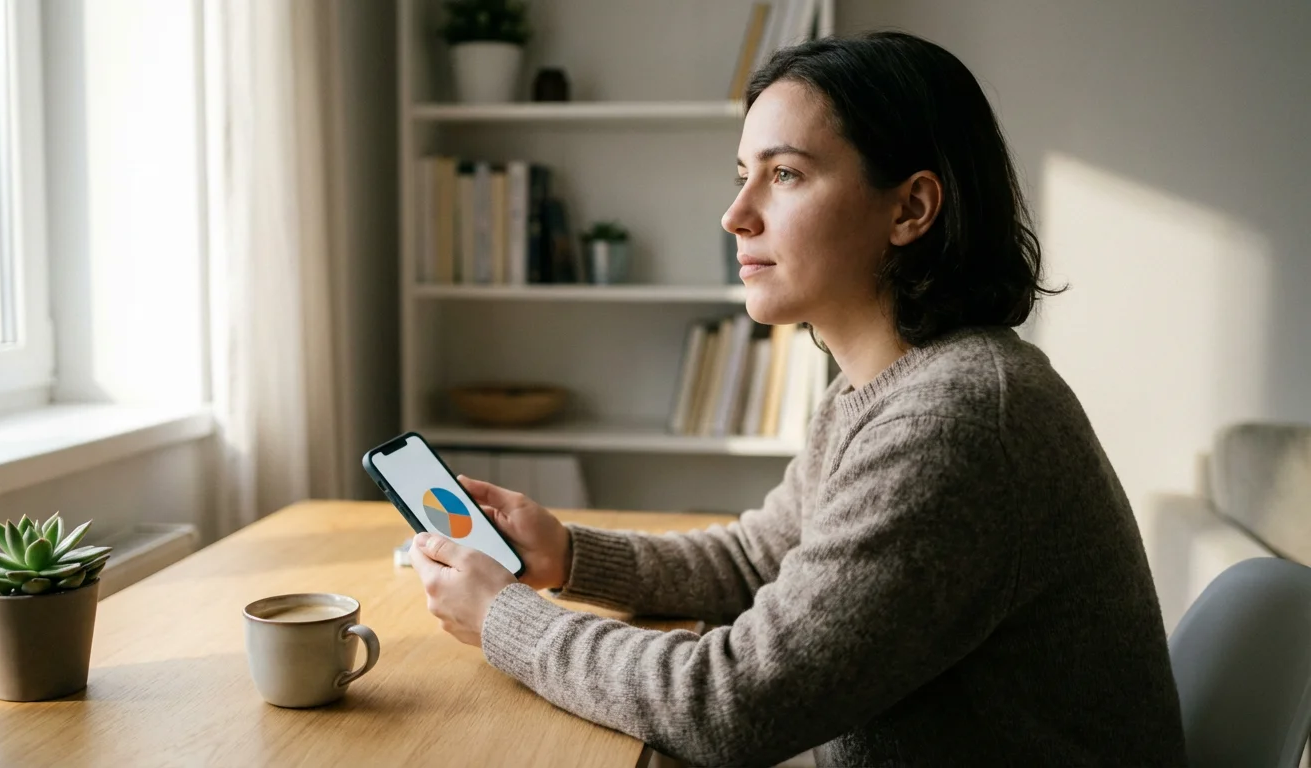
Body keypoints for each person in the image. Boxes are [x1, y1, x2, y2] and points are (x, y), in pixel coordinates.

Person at [409, 31, 1186, 767]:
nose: (736, 214)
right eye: (741, 174)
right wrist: (568, 555)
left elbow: (733, 705)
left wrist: (505, 620)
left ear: (911, 209)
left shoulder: (957, 421)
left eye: (783, 174)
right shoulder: (884, 386)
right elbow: (761, 558)